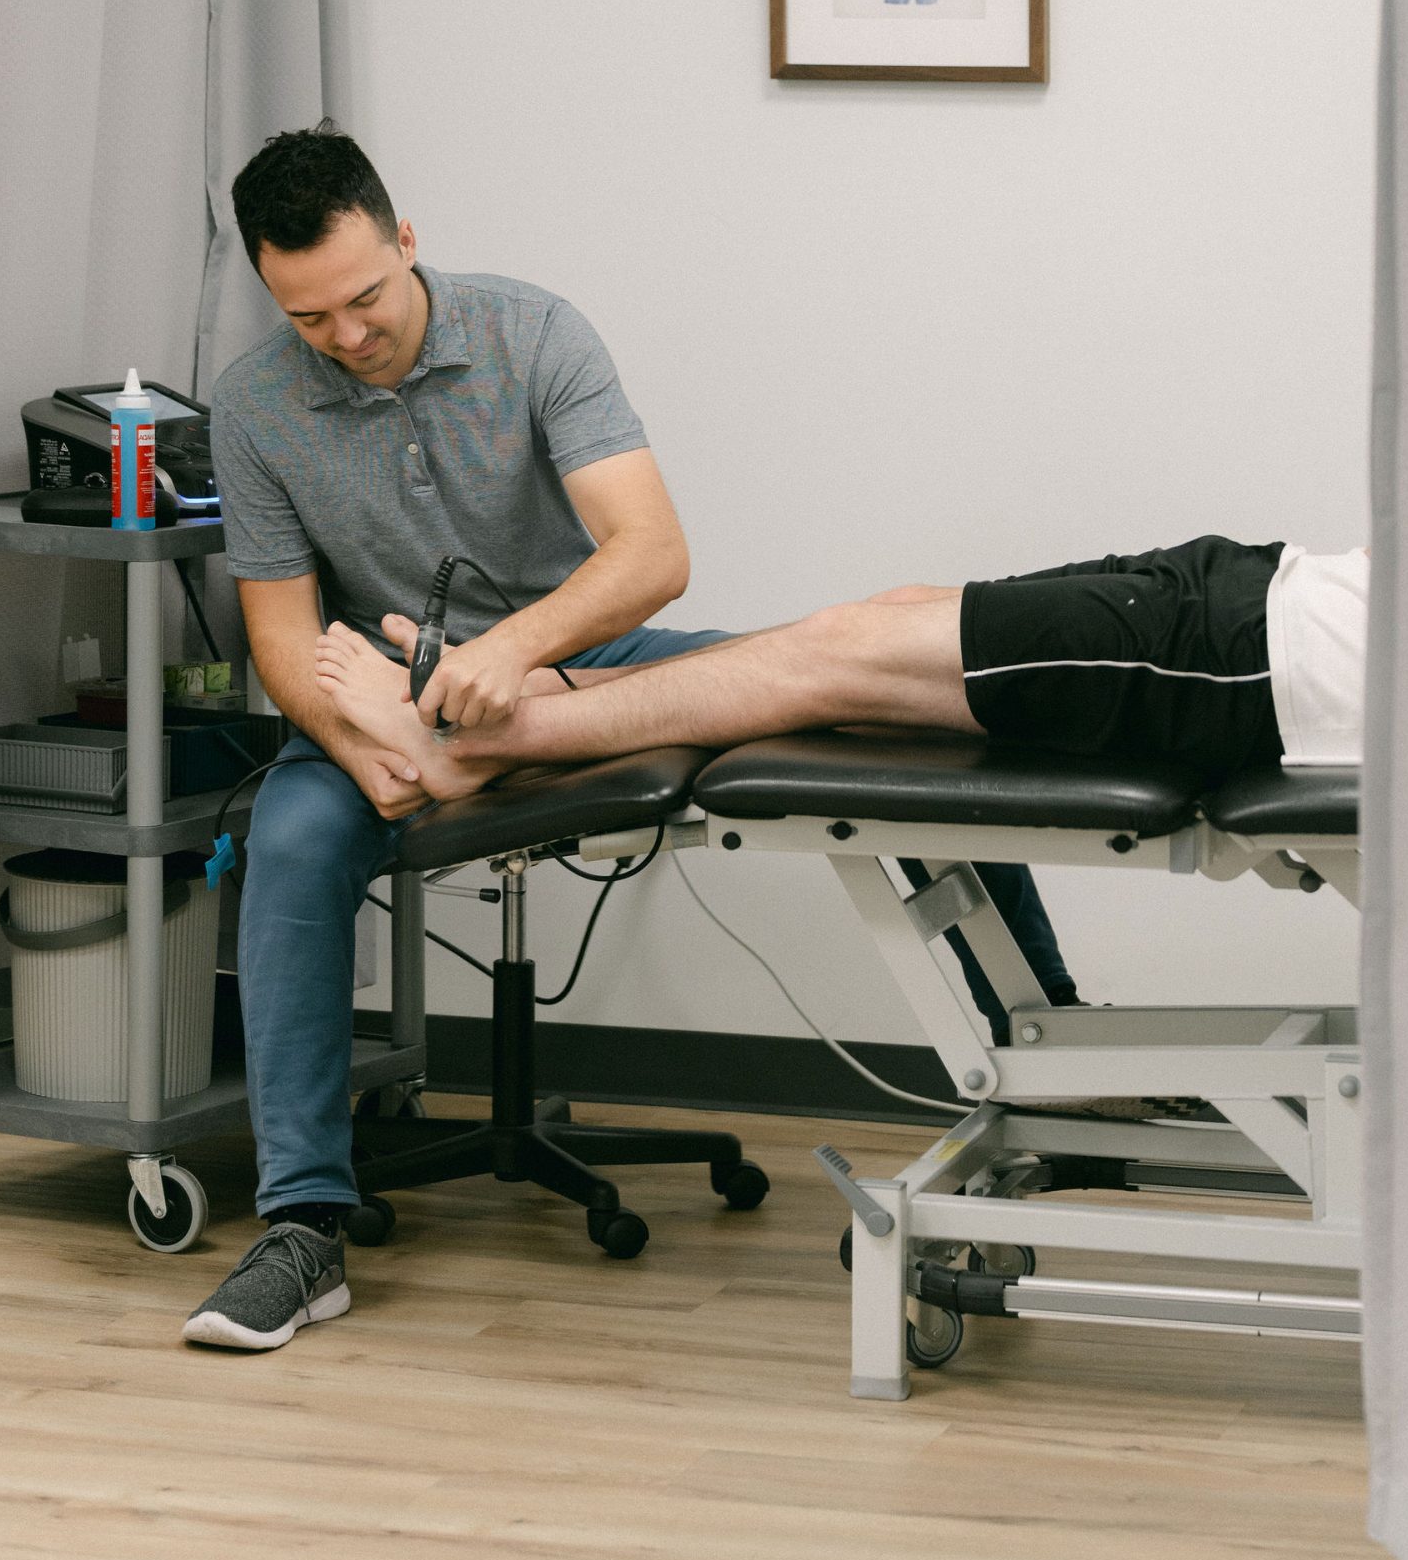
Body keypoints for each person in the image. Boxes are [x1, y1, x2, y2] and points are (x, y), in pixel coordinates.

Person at [182, 122, 1080, 1354]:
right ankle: (302, 1230)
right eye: (308, 318)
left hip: (583, 659)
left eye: (365, 298)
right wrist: (371, 737)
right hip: (387, 693)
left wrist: (507, 662)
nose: (346, 336)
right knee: (287, 848)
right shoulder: (253, 406)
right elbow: (283, 640)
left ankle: (1050, 1072)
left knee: (885, 706)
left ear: (405, 238)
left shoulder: (531, 331)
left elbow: (651, 554)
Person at [313, 534, 1370, 803]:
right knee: (888, 615)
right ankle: (536, 700)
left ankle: (473, 744)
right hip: (1269, 587)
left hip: (1263, 662)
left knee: (836, 659)